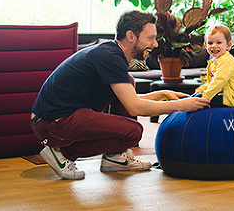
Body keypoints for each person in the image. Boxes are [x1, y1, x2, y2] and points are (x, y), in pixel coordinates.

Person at [30, 11, 210, 180]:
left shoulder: (111, 53)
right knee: (133, 131)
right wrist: (182, 105)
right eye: (150, 38)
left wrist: (162, 94)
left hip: (58, 117)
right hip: (52, 123)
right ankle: (62, 153)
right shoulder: (110, 57)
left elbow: (129, 98)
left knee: (129, 82)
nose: (155, 44)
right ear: (131, 36)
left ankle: (115, 157)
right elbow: (135, 107)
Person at [193, 25, 234, 107]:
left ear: (228, 45)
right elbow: (212, 82)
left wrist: (205, 96)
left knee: (196, 100)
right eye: (210, 43)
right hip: (222, 95)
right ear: (206, 45)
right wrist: (202, 89)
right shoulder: (214, 61)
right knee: (195, 97)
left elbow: (219, 80)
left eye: (219, 42)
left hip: (232, 98)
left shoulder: (227, 60)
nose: (214, 46)